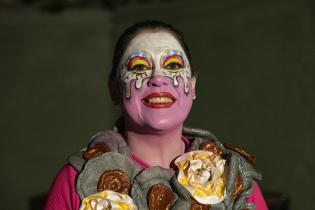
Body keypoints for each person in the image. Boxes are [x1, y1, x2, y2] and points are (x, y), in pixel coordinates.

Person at [44, 20, 268, 210]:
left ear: (193, 86)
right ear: (114, 90)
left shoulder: (234, 177)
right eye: (139, 67)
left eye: (172, 65)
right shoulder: (75, 180)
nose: (158, 78)